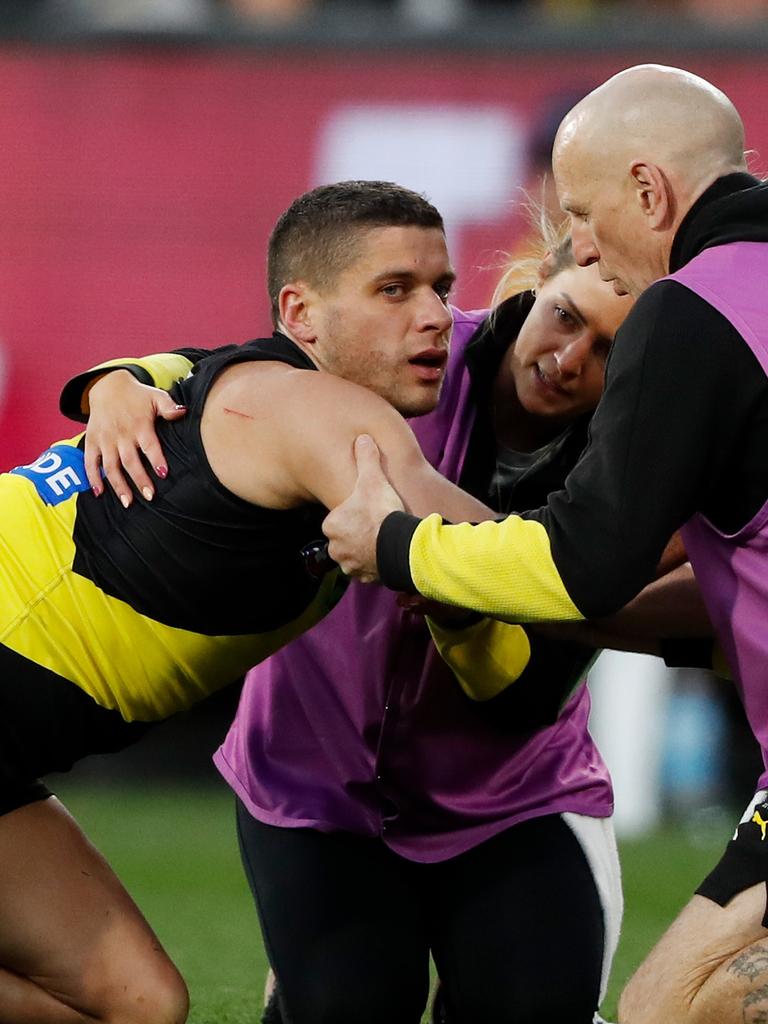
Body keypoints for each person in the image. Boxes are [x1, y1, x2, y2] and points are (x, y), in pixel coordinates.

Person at [75, 224, 691, 1023]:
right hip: (309, 781)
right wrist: (119, 381)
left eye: (610, 350)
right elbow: (240, 372)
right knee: (347, 1007)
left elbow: (524, 692)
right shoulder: (405, 356)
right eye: (567, 316)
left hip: (513, 793)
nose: (569, 359)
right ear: (542, 277)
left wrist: (434, 580)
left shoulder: (638, 463)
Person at [323, 65, 768, 1024]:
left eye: (583, 208)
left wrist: (400, 546)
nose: (578, 241)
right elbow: (719, 596)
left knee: (669, 1011)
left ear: (649, 193)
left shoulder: (692, 310)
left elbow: (585, 560)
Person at [0, 179, 496, 1024]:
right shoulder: (328, 413)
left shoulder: (232, 382)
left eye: (443, 289)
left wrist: (111, 379)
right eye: (394, 289)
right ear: (300, 313)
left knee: (137, 1004)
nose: (435, 316)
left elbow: (165, 370)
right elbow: (498, 557)